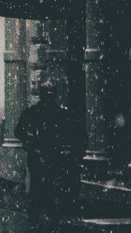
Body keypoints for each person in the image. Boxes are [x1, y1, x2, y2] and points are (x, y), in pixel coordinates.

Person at [15, 84, 81, 227]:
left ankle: (37, 214)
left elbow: (19, 131)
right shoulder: (59, 113)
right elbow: (70, 134)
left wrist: (29, 140)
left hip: (42, 154)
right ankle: (50, 214)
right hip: (49, 154)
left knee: (39, 185)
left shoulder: (33, 112)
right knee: (49, 185)